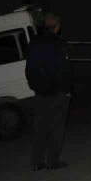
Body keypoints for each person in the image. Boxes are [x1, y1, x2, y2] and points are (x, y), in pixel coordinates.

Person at [25, 12, 74, 171]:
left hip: (40, 92)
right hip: (57, 93)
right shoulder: (58, 43)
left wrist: (35, 86)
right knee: (56, 127)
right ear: (57, 27)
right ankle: (53, 162)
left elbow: (29, 69)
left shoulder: (34, 42)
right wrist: (66, 90)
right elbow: (63, 70)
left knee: (39, 127)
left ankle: (37, 162)